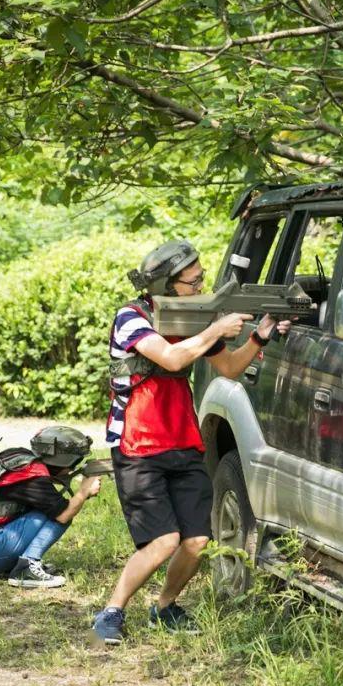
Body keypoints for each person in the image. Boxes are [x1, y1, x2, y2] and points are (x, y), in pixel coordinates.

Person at [91, 240, 291, 644]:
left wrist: (260, 337)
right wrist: (216, 327)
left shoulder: (194, 318)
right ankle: (111, 612)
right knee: (164, 541)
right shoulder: (131, 318)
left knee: (197, 540)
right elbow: (170, 359)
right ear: (167, 284)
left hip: (182, 439)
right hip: (138, 445)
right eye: (193, 281)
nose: (201, 286)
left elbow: (230, 367)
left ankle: (164, 606)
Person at [0, 426, 102, 587]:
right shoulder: (33, 478)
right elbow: (64, 514)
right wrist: (84, 491)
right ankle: (26, 568)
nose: (73, 468)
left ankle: (16, 563)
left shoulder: (21, 460)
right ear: (64, 461)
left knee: (55, 508)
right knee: (63, 512)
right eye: (74, 462)